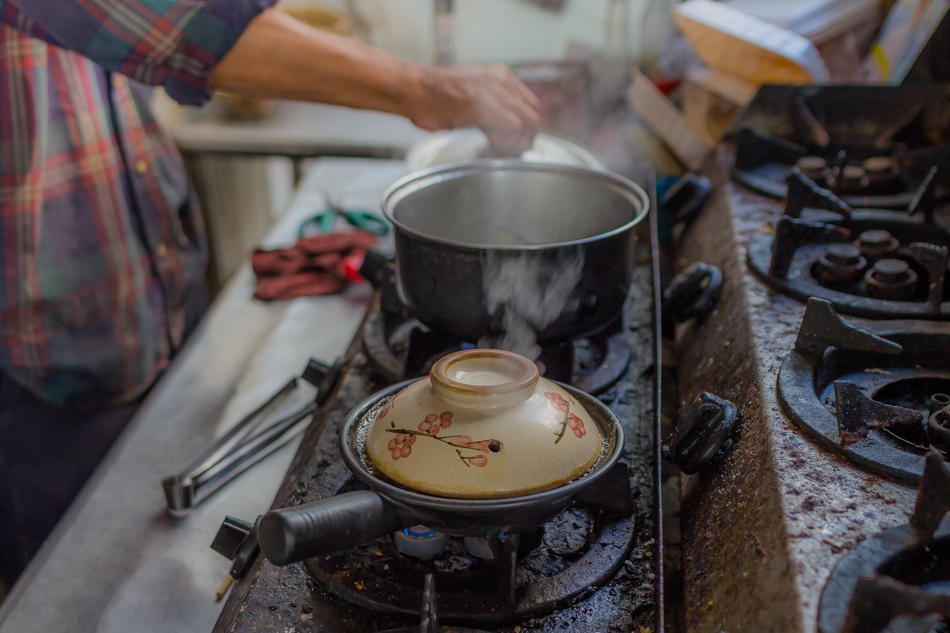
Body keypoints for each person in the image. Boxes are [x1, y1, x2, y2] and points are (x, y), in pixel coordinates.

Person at [0, 0, 542, 589]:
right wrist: (424, 87)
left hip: (153, 293)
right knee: (71, 581)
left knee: (150, 537)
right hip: (37, 355)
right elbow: (193, 27)